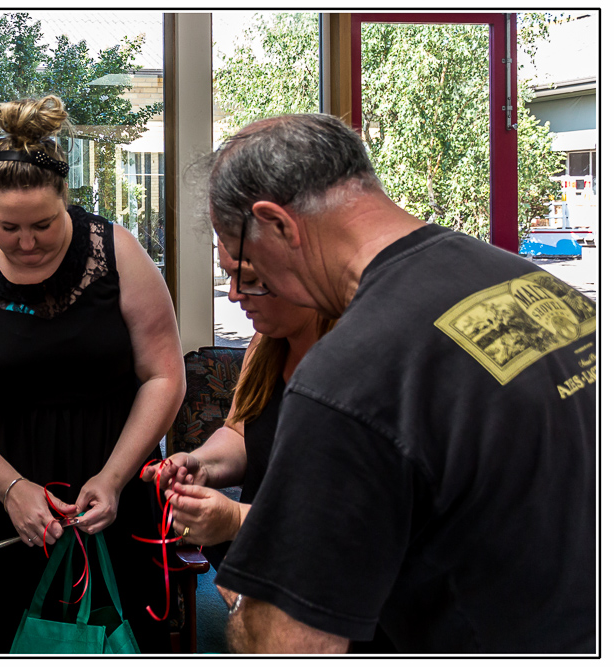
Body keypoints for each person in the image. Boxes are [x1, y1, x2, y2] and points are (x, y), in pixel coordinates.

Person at [204, 113, 596, 654]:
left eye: (241, 260)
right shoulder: (537, 288)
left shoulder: (350, 377)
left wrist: (249, 599)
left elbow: (289, 647)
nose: (243, 286)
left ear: (278, 224)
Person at [0, 95, 186, 653]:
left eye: (43, 223)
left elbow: (163, 376)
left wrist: (112, 478)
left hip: (112, 477)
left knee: (118, 633)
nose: (27, 242)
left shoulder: (117, 252)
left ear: (67, 199)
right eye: (7, 226)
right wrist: (10, 487)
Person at [145, 240, 332, 573]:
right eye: (229, 276)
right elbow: (240, 431)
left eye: (249, 280)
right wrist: (201, 464)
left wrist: (236, 520)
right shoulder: (267, 343)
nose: (232, 295)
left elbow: (350, 514)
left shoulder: (359, 354)